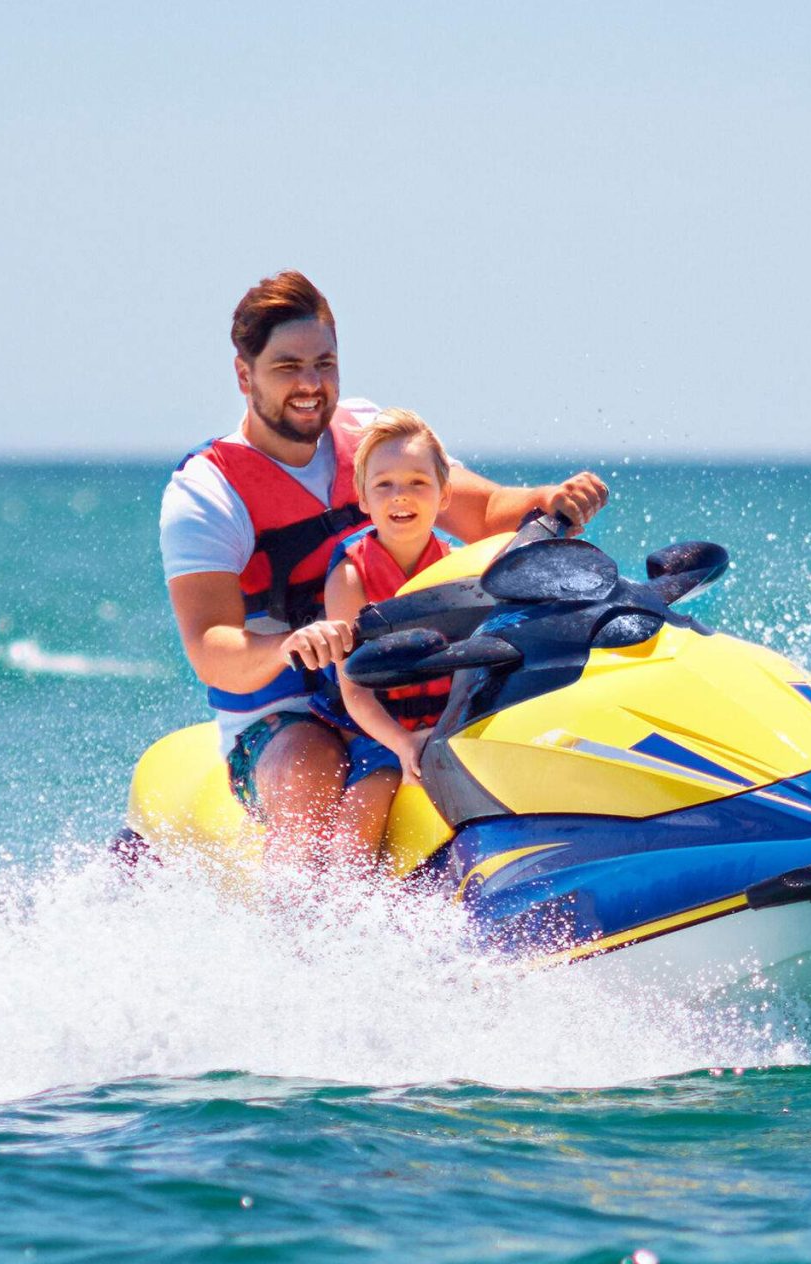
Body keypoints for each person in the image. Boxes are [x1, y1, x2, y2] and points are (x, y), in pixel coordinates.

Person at [159, 271, 607, 870]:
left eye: (325, 363)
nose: (312, 385)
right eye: (288, 366)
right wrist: (293, 644)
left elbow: (481, 510)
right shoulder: (207, 493)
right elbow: (210, 648)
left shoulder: (373, 438)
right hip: (286, 713)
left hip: (405, 681)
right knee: (311, 778)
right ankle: (304, 945)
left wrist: (551, 499)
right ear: (245, 375)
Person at [310, 409, 458, 869]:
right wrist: (403, 744)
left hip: (447, 723)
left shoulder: (458, 569)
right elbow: (354, 690)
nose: (402, 496)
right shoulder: (351, 574)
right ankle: (344, 918)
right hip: (378, 728)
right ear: (363, 498)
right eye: (384, 485)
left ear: (444, 492)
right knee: (362, 815)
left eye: (418, 482)